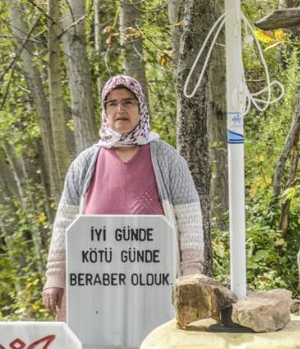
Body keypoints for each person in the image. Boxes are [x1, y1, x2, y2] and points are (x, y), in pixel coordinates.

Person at [42, 74, 204, 318]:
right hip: (95, 288)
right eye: (112, 103)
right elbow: (64, 224)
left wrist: (191, 278)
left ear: (140, 108)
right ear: (105, 111)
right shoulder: (85, 163)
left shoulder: (168, 160)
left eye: (128, 102)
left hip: (155, 289)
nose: (120, 109)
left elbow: (190, 223)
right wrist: (54, 277)